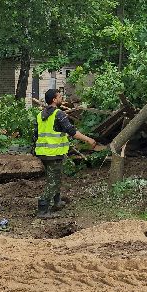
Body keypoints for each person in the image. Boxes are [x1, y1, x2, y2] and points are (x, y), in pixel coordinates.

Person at [34, 88, 96, 218]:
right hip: (54, 153)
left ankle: (57, 202)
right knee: (53, 182)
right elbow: (71, 131)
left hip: (43, 153)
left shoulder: (40, 115)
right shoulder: (59, 114)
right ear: (54, 100)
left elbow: (36, 135)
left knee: (55, 178)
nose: (61, 98)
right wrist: (88, 139)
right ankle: (42, 209)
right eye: (59, 96)